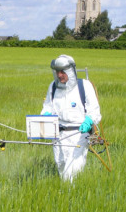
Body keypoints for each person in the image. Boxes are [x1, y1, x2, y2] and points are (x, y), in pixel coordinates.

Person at [40, 54, 101, 182]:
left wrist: (89, 121)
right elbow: (48, 107)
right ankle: (65, 197)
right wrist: (45, 115)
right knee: (61, 166)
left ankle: (72, 195)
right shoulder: (53, 86)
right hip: (58, 134)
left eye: (63, 72)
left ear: (71, 71)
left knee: (72, 172)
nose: (59, 75)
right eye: (57, 72)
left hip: (78, 134)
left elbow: (94, 110)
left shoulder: (84, 86)